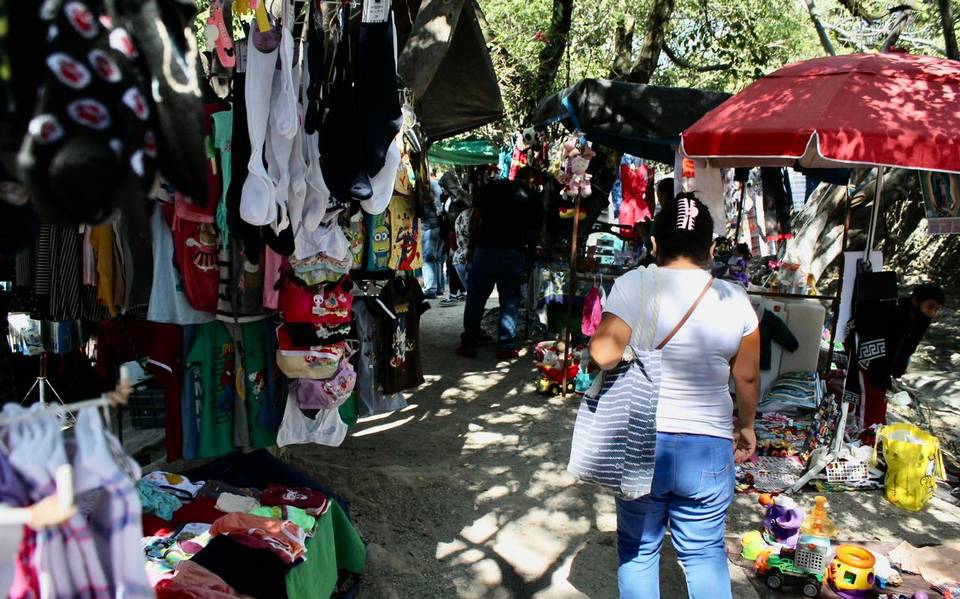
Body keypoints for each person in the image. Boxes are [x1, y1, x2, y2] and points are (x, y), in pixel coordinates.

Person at [588, 193, 760, 599]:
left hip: (642, 441)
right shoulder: (735, 298)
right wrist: (747, 425)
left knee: (639, 549)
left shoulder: (634, 284)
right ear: (712, 249)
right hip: (709, 445)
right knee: (703, 553)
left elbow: (602, 354)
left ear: (653, 244)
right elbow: (748, 379)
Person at [457, 167, 541, 359]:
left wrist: (471, 246)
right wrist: (529, 254)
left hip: (485, 250)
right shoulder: (533, 196)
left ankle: (469, 343)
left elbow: (475, 217)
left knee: (476, 298)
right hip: (513, 253)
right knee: (509, 300)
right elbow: (535, 233)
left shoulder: (493, 187)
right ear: (532, 180)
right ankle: (505, 346)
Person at [857, 282, 944, 430]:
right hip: (871, 361)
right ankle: (863, 432)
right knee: (869, 399)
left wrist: (898, 368)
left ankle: (871, 432)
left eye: (936, 309)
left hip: (882, 365)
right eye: (930, 307)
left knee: (876, 401)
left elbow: (906, 350)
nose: (932, 313)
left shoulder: (917, 318)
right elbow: (889, 346)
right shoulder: (898, 312)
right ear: (916, 301)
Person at [440, 198, 471, 307]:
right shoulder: (470, 216)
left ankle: (455, 294)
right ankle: (459, 293)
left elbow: (454, 247)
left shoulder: (458, 221)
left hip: (461, 258)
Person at [421, 170, 444, 298]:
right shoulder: (433, 185)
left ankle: (430, 289)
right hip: (434, 224)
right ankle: (438, 287)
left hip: (429, 224)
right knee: (435, 258)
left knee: (428, 257)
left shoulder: (429, 185)